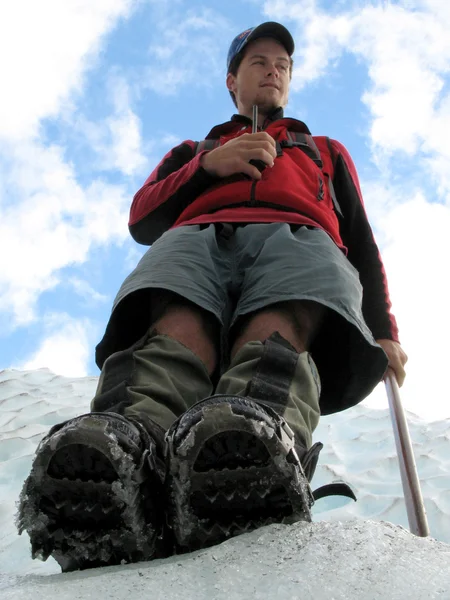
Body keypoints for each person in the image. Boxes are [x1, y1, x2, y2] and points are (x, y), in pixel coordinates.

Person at [18, 22, 407, 572]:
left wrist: (385, 328)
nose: (273, 70)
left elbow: (361, 240)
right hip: (198, 232)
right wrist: (208, 166)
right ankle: (127, 452)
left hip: (299, 234)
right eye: (259, 62)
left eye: (282, 65)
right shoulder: (195, 149)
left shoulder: (325, 151)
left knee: (278, 327)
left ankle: (257, 439)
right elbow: (142, 214)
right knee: (177, 327)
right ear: (232, 81)